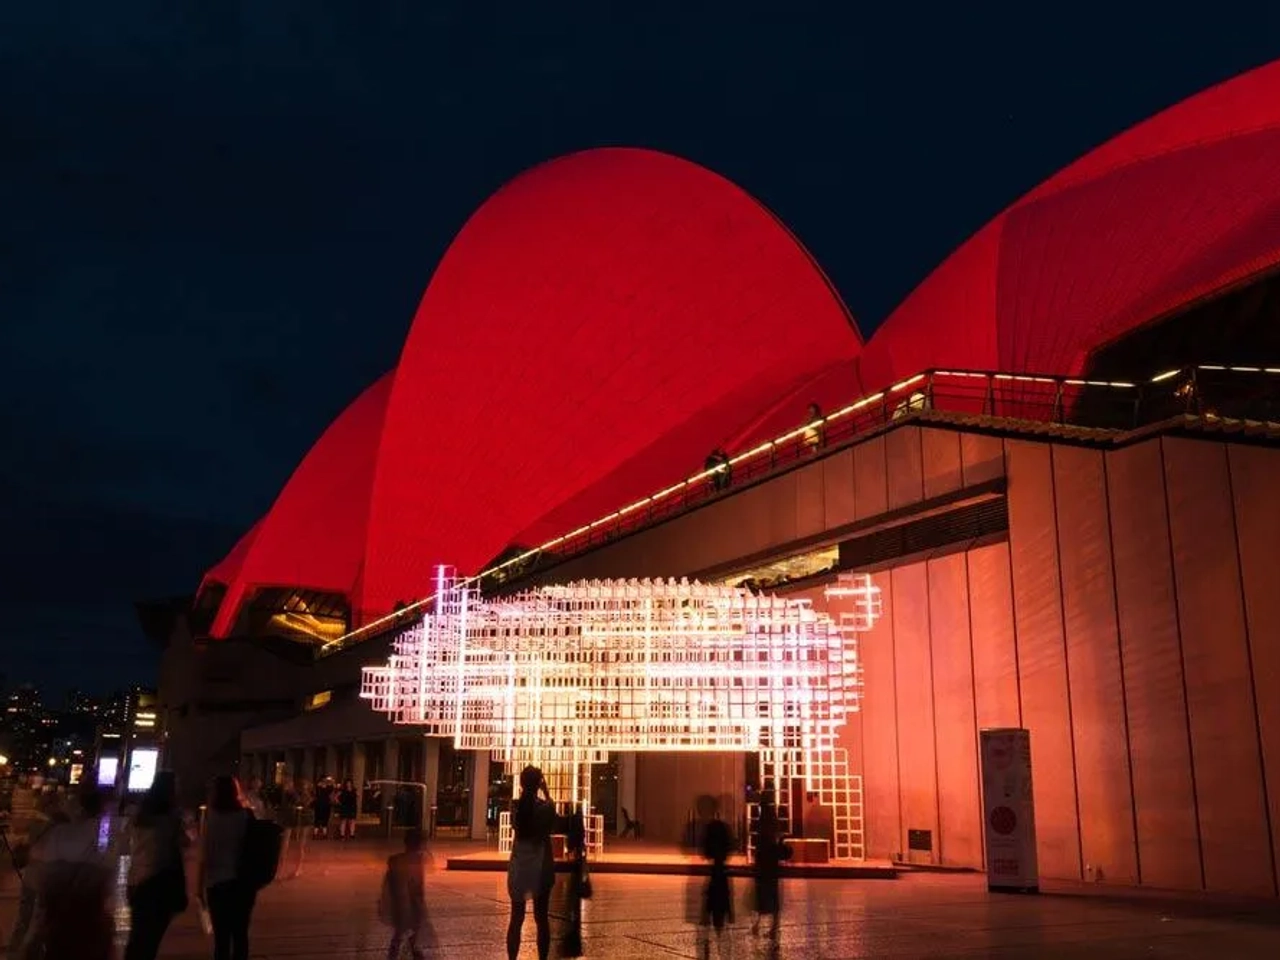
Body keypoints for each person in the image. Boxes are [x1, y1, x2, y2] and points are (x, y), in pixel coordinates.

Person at [26, 787, 114, 960]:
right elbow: (106, 868)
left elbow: (42, 877)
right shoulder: (102, 831)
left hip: (57, 917)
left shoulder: (58, 832)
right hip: (88, 917)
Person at [123, 772, 190, 960]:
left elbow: (127, 843)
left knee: (137, 938)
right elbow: (184, 843)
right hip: (160, 881)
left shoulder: (140, 815)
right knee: (151, 940)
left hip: (137, 879)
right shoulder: (172, 818)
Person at [196, 776, 257, 960]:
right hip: (242, 883)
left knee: (221, 939)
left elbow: (204, 855)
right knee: (240, 935)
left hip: (216, 883)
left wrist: (199, 888)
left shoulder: (211, 818)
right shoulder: (246, 816)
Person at [7, 791, 67, 959]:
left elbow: (26, 843)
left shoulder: (35, 821)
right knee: (39, 921)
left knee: (23, 919)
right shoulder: (60, 824)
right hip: (47, 880)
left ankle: (14, 954)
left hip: (31, 876)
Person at [506, 766, 557, 960]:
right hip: (541, 868)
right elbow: (553, 817)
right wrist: (546, 791)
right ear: (540, 783)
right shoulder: (545, 808)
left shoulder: (515, 807)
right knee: (541, 919)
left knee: (516, 919)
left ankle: (512, 958)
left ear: (521, 783)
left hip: (519, 868)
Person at [378, 828, 435, 959]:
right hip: (409, 906)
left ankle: (410, 954)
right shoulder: (415, 861)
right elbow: (414, 887)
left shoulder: (397, 860)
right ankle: (410, 955)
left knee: (404, 935)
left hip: (403, 905)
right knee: (405, 935)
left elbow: (391, 885)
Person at [697, 795, 734, 960]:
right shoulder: (723, 827)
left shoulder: (710, 827)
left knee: (710, 904)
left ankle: (707, 945)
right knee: (722, 902)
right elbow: (730, 846)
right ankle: (721, 944)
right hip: (721, 872)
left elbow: (705, 850)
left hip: (715, 872)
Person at [750, 805, 792, 948]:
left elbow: (762, 852)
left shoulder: (763, 832)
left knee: (764, 899)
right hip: (771, 870)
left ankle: (763, 927)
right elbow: (776, 851)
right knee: (771, 900)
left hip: (765, 870)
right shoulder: (771, 829)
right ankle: (769, 928)